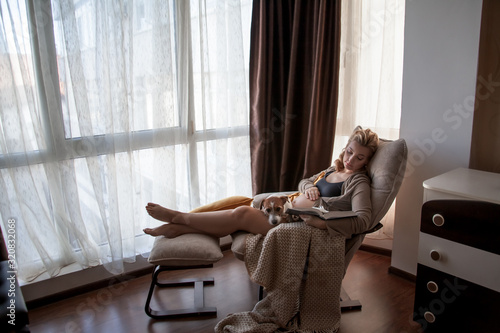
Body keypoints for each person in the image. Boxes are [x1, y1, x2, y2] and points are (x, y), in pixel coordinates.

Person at [144, 127, 379, 239]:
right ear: (345, 149)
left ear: (367, 161)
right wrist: (309, 188)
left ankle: (179, 217)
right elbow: (305, 181)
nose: (350, 160)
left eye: (359, 158)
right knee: (236, 208)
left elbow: (364, 220)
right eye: (349, 152)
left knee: (240, 214)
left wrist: (322, 225)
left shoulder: (358, 183)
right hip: (288, 211)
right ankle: (178, 227)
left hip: (299, 224)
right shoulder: (333, 168)